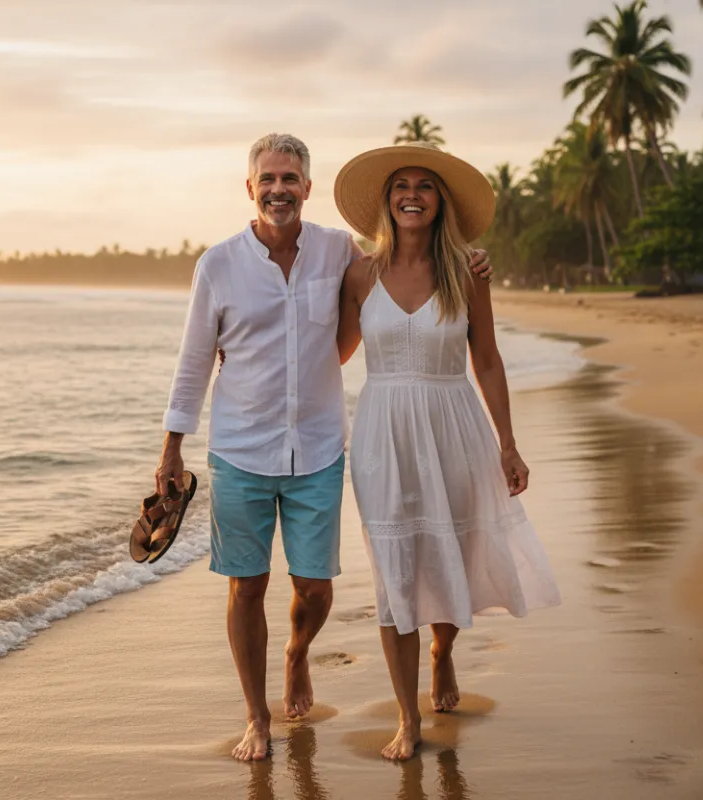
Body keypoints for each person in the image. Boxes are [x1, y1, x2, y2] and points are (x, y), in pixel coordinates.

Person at [149, 133, 492, 762]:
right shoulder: (217, 265)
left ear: (307, 188)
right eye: (268, 179)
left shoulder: (340, 252)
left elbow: (385, 297)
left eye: (290, 179)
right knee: (245, 586)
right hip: (238, 449)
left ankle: (297, 652)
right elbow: (195, 359)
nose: (279, 189)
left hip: (317, 448)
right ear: (250, 189)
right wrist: (172, 447)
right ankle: (257, 716)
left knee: (315, 588)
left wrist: (473, 261)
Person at [334, 142, 562, 762]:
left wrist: (509, 445)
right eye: (400, 185)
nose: (411, 194)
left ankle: (443, 651)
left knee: (452, 554)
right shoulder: (360, 274)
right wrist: (241, 353)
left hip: (455, 423)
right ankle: (407, 719)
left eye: (425, 186)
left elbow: (485, 358)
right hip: (383, 432)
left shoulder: (467, 273)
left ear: (440, 203)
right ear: (386, 201)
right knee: (394, 570)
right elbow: (332, 353)